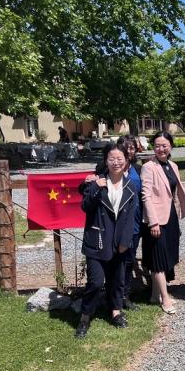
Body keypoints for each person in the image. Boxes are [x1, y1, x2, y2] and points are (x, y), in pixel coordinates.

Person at [75, 144, 137, 338]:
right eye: (112, 159)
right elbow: (85, 207)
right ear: (105, 161)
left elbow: (130, 219)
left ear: (126, 161)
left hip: (120, 243)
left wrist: (126, 241)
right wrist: (95, 188)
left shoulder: (130, 187)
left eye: (120, 159)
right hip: (97, 240)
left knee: (117, 280)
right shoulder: (97, 182)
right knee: (95, 281)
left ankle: (115, 311)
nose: (116, 162)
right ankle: (85, 317)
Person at [141, 132, 185, 314]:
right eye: (158, 145)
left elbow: (174, 191)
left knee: (166, 255)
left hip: (171, 217)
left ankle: (154, 295)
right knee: (158, 258)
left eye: (165, 145)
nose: (161, 149)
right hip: (156, 219)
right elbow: (146, 195)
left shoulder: (172, 165)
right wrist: (153, 222)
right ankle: (165, 299)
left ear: (170, 147)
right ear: (153, 147)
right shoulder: (148, 167)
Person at [117, 135, 143, 310]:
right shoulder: (110, 167)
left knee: (128, 260)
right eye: (126, 147)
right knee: (114, 260)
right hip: (115, 223)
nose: (129, 150)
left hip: (134, 223)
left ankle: (125, 295)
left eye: (132, 147)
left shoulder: (139, 170)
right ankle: (114, 295)